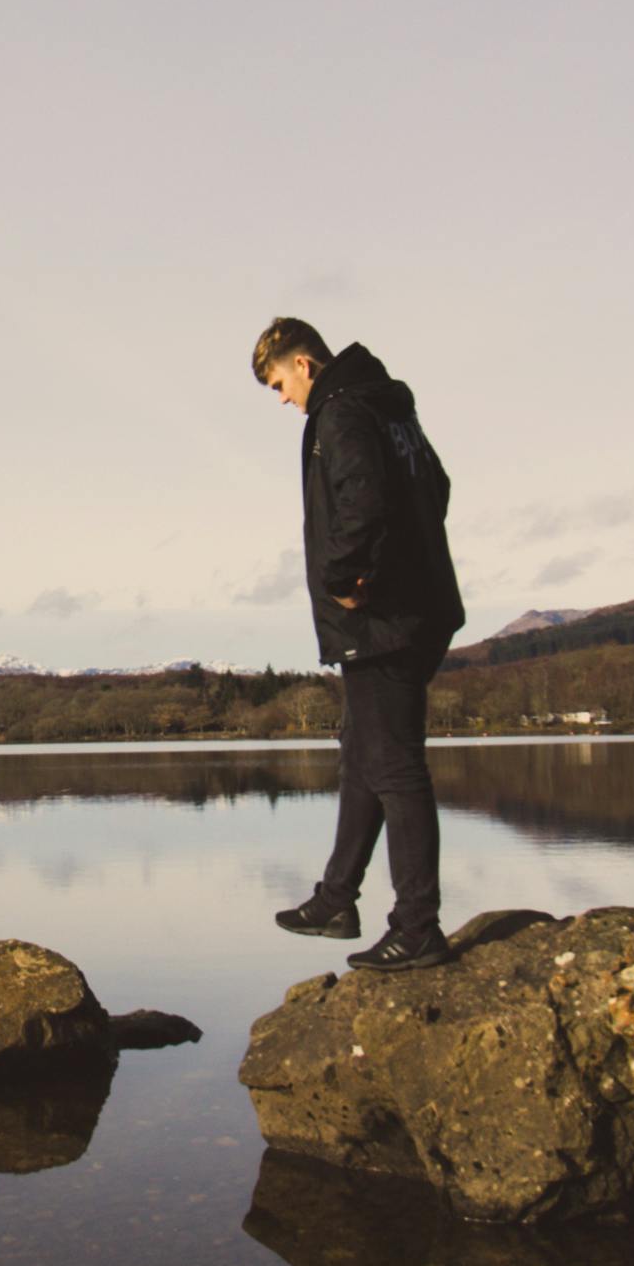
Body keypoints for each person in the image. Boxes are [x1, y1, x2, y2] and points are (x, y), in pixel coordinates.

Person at [252, 317, 463, 971]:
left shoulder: (341, 412)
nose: (283, 399)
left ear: (305, 364)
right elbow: (439, 487)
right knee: (363, 754)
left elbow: (363, 502)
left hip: (383, 621)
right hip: (415, 612)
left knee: (395, 767)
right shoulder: (390, 408)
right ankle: (336, 898)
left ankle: (418, 925)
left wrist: (348, 577)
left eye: (280, 382)